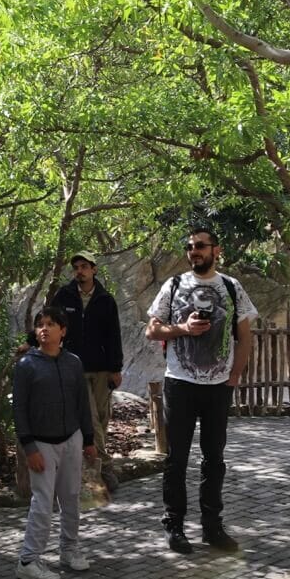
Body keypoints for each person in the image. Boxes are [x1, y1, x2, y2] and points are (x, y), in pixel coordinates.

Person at [145, 228, 257, 554]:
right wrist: (183, 328)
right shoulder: (174, 285)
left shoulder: (232, 288)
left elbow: (245, 335)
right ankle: (175, 526)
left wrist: (235, 374)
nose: (194, 251)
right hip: (179, 384)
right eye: (190, 247)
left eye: (200, 246)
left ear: (215, 250)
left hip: (217, 387)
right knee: (176, 460)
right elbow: (153, 330)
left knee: (214, 460)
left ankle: (212, 527)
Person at [12, 305, 97, 579]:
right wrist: (29, 447)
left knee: (71, 497)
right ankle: (28, 560)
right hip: (41, 444)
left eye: (51, 324)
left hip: (71, 439)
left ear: (63, 331)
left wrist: (88, 440)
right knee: (43, 502)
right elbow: (19, 410)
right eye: (40, 324)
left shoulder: (73, 362)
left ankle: (69, 550)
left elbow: (82, 404)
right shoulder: (26, 365)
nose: (44, 329)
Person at [50, 251, 123, 491]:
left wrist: (116, 368)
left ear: (94, 269)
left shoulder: (105, 299)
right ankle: (106, 469)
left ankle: (95, 464)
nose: (79, 271)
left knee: (102, 418)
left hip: (102, 369)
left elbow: (114, 336)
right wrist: (31, 342)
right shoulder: (64, 295)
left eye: (84, 266)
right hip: (75, 368)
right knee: (90, 418)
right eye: (76, 268)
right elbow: (49, 322)